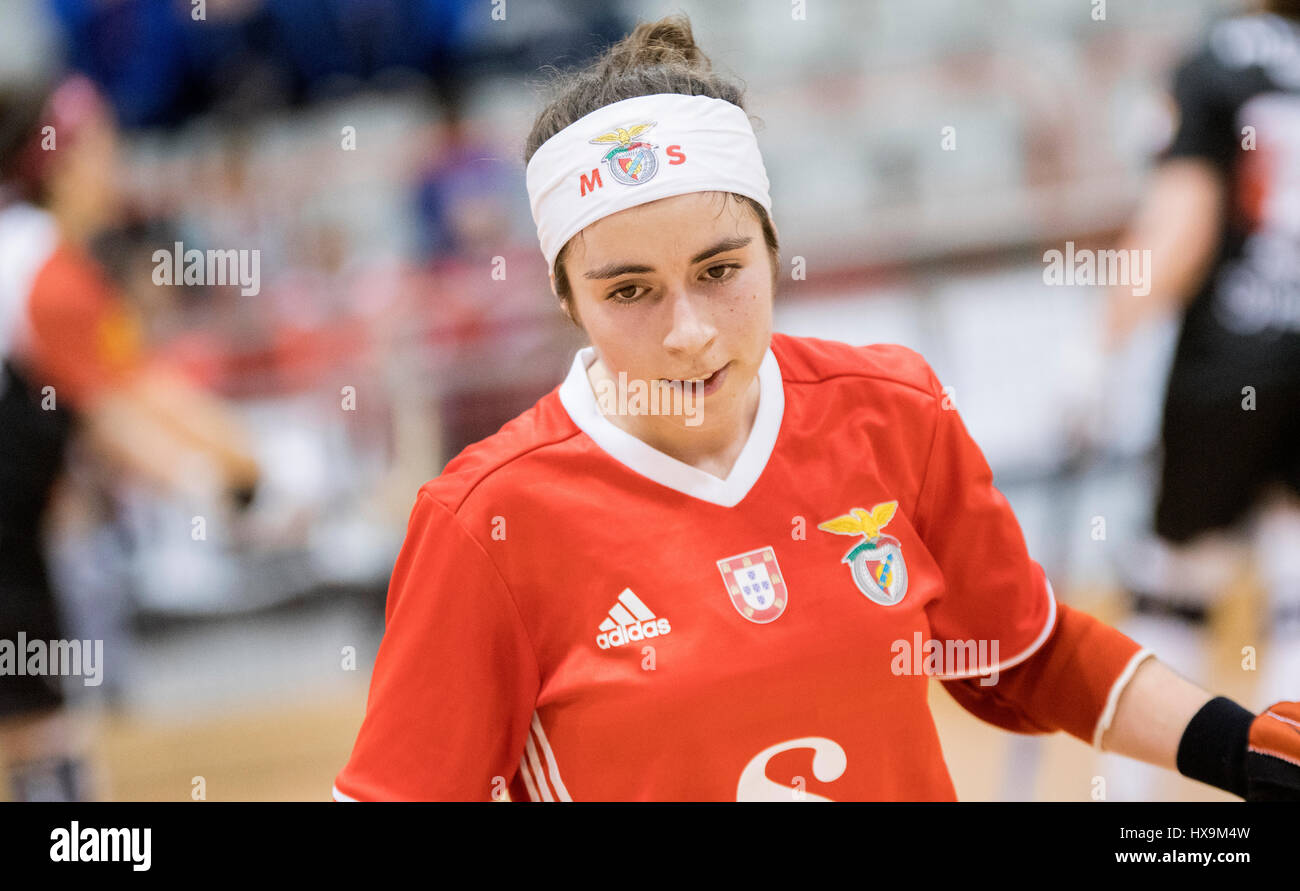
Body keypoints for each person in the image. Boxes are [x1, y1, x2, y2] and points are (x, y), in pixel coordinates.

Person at [334, 15, 1300, 802]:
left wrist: (1236, 744)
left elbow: (1027, 656)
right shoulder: (487, 521)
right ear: (567, 299)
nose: (688, 333)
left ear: (773, 243)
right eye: (630, 291)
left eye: (720, 270)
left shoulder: (893, 412)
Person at [0, 74, 261, 801]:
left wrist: (236, 465)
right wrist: (232, 484)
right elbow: (123, 407)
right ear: (55, 161)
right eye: (103, 146)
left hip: (18, 543)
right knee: (40, 740)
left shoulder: (40, 259)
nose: (116, 162)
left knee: (39, 731)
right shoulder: (42, 270)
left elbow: (133, 389)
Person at [1099, 2, 1300, 798]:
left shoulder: (1220, 56)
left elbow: (1180, 220)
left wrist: (1098, 345)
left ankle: (1132, 815)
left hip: (1231, 359)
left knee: (1171, 587)